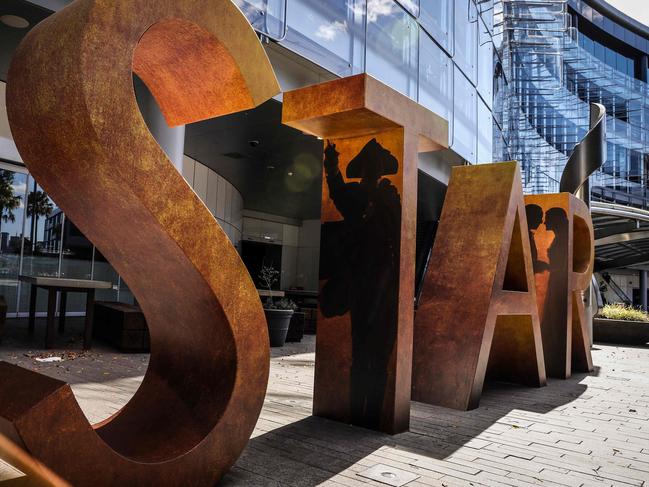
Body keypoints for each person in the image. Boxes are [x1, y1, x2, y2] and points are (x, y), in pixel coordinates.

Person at [319, 138, 401, 429]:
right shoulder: (355, 196)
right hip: (362, 282)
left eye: (377, 164)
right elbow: (340, 192)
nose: (373, 168)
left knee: (379, 355)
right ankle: (357, 415)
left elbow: (400, 237)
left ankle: (373, 416)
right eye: (370, 163)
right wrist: (332, 166)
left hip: (388, 285)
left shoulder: (390, 196)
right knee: (361, 350)